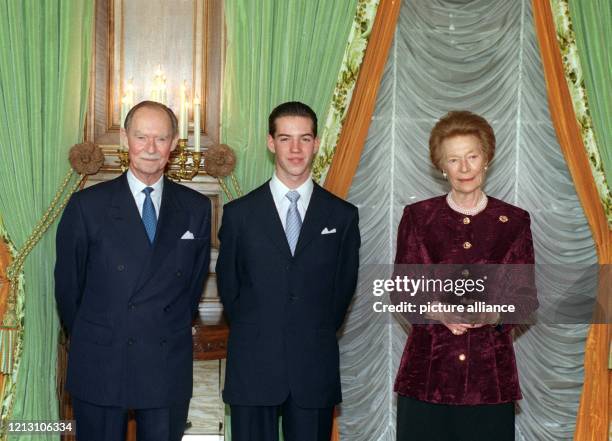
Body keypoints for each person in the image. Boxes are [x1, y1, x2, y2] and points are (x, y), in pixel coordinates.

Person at [54, 101, 211, 441]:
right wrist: (99, 332)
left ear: (174, 144)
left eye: (161, 138)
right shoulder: (86, 206)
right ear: (125, 139)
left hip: (165, 359)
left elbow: (194, 283)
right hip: (101, 359)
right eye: (142, 137)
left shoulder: (196, 208)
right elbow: (68, 289)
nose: (151, 149)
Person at [216, 101, 360, 441]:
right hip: (253, 366)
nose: (295, 149)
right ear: (271, 143)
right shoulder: (239, 215)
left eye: (304, 138)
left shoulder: (342, 216)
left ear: (316, 143)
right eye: (285, 138)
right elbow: (230, 287)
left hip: (313, 367)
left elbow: (342, 290)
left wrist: (310, 331)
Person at [393, 111, 537, 441]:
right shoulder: (418, 217)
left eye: (472, 156)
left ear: (486, 158)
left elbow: (526, 298)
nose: (464, 168)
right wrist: (435, 310)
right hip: (427, 376)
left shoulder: (514, 221)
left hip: (490, 382)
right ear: (441, 167)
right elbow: (401, 289)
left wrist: (493, 314)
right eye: (453, 160)